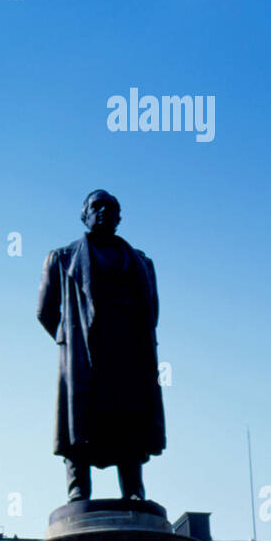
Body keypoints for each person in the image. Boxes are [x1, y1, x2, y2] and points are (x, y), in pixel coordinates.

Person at [37, 190, 165, 502]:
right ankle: (78, 488)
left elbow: (153, 312)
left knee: (130, 417)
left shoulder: (142, 263)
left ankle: (134, 489)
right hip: (83, 352)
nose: (104, 211)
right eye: (97, 206)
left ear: (120, 218)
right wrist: (70, 338)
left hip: (128, 351)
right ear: (84, 215)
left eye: (111, 208)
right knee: (80, 420)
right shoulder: (62, 258)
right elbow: (45, 311)